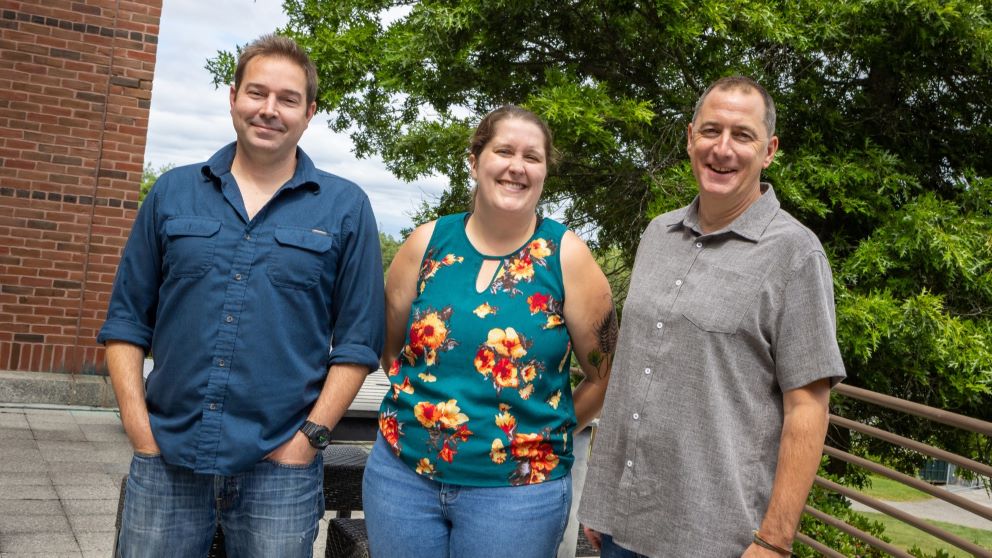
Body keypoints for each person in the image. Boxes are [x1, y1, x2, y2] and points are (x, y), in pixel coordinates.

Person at [98, 34, 384, 558]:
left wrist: (308, 442)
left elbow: (359, 341)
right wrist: (140, 432)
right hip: (167, 458)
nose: (269, 110)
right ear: (233, 98)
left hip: (280, 470)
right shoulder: (172, 193)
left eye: (288, 99)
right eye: (257, 93)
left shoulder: (345, 209)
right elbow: (126, 323)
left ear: (309, 112)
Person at [579, 76, 846, 557]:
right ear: (689, 138)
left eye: (742, 135)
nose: (723, 148)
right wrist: (602, 499)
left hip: (714, 539)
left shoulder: (796, 255)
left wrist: (775, 541)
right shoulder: (657, 234)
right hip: (623, 527)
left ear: (769, 151)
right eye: (710, 131)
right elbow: (631, 373)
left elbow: (808, 409)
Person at [362, 105, 617, 558]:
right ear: (475, 160)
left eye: (532, 157)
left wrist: (541, 436)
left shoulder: (568, 258)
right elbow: (391, 350)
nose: (517, 166)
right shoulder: (425, 244)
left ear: (544, 171)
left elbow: (604, 376)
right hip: (402, 480)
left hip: (517, 495)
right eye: (503, 151)